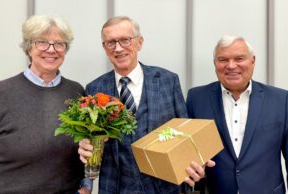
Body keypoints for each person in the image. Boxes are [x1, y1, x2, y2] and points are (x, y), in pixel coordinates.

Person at [78, 16, 214, 194]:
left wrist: (196, 165)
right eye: (111, 42)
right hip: (116, 188)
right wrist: (86, 147)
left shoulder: (167, 80)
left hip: (166, 187)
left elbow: (185, 134)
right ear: (105, 48)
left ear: (139, 42)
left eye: (125, 40)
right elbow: (90, 143)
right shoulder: (94, 89)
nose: (118, 48)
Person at [0, 15, 90, 194]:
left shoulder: (76, 92)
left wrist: (86, 186)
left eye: (59, 44)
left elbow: (85, 147)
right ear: (29, 47)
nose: (51, 50)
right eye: (42, 42)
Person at [186, 35, 288, 194]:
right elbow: (188, 154)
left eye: (239, 58)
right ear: (215, 64)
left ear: (253, 61)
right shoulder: (196, 98)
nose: (231, 66)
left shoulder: (281, 100)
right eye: (223, 60)